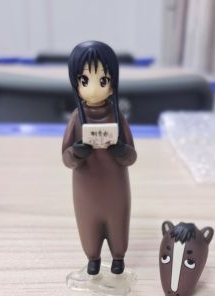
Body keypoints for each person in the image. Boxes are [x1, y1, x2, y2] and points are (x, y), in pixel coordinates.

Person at [62, 41, 137, 275]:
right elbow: (66, 157)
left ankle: (118, 257)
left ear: (112, 84)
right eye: (85, 81)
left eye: (102, 80)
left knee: (118, 221)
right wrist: (77, 152)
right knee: (88, 223)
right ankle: (92, 258)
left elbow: (131, 156)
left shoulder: (117, 116)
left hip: (116, 186)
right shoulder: (77, 118)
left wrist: (120, 150)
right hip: (85, 187)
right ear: (76, 84)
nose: (94, 89)